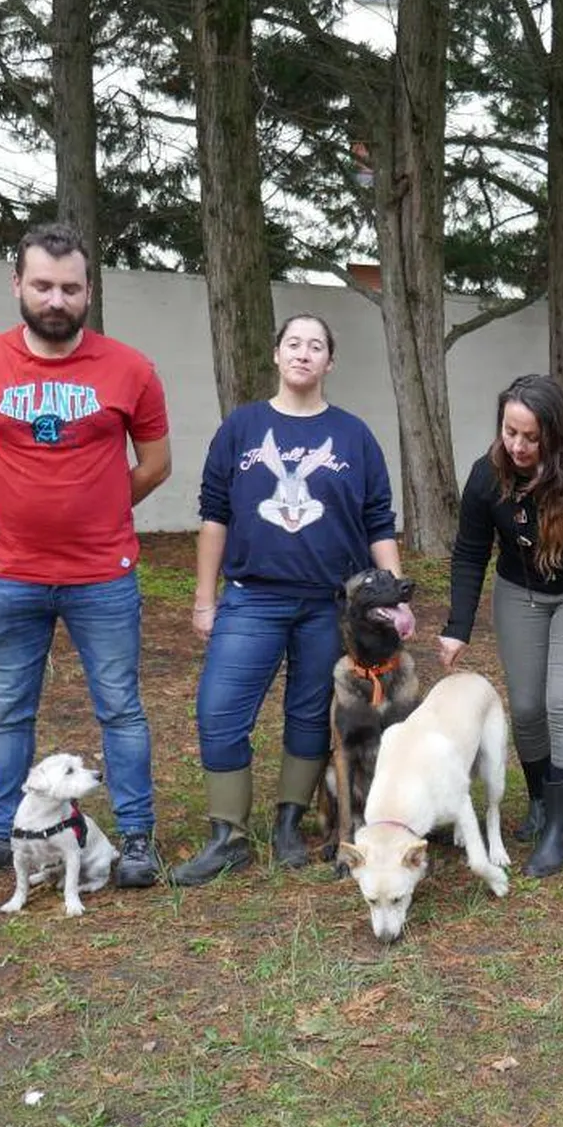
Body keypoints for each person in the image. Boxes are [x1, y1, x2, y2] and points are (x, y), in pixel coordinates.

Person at [0, 222, 173, 892]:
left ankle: (135, 836)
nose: (56, 299)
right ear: (18, 284)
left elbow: (154, 466)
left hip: (103, 574)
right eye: (42, 284)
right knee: (8, 708)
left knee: (120, 707)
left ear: (89, 290)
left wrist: (95, 508)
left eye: (70, 287)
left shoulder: (131, 369)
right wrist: (17, 503)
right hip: (9, 573)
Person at [170, 314, 402, 885]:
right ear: (276, 354)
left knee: (306, 715)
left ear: (330, 362)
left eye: (316, 345)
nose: (303, 353)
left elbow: (378, 521)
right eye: (293, 343)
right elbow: (214, 515)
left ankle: (289, 826)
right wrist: (206, 598)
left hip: (328, 604)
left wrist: (394, 596)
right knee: (219, 711)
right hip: (252, 598)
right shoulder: (241, 428)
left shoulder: (354, 437)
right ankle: (227, 836)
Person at [440, 374, 563, 878]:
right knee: (525, 708)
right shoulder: (488, 475)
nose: (519, 446)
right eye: (510, 432)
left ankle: (558, 834)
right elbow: (469, 552)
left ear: (553, 432)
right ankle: (541, 802)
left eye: (531, 437)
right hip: (519, 592)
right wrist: (458, 624)